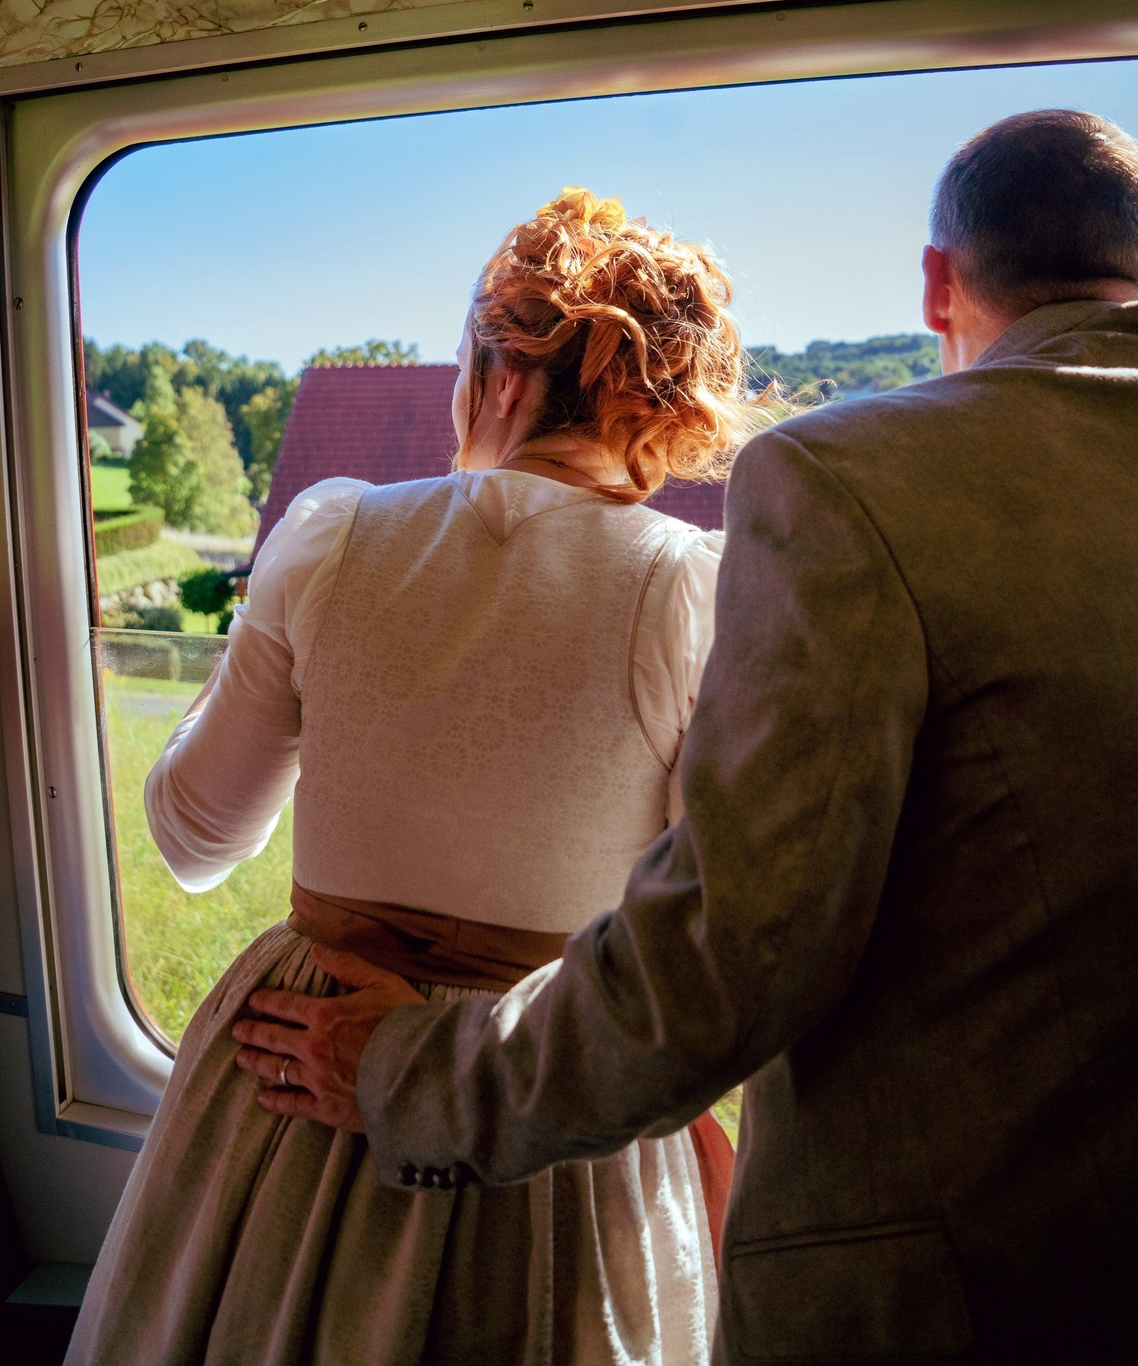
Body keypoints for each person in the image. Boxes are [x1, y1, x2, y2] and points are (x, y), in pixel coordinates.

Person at [239, 110, 1138, 1364]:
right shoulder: (687, 572)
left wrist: (415, 1073)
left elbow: (735, 940)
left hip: (975, 1286)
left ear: (936, 280)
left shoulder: (857, 483)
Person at [69, 188, 772, 1366]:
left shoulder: (329, 536)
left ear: (502, 376)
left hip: (296, 1055)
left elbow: (193, 838)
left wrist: (263, 655)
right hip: (537, 1083)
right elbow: (707, 936)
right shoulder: (691, 590)